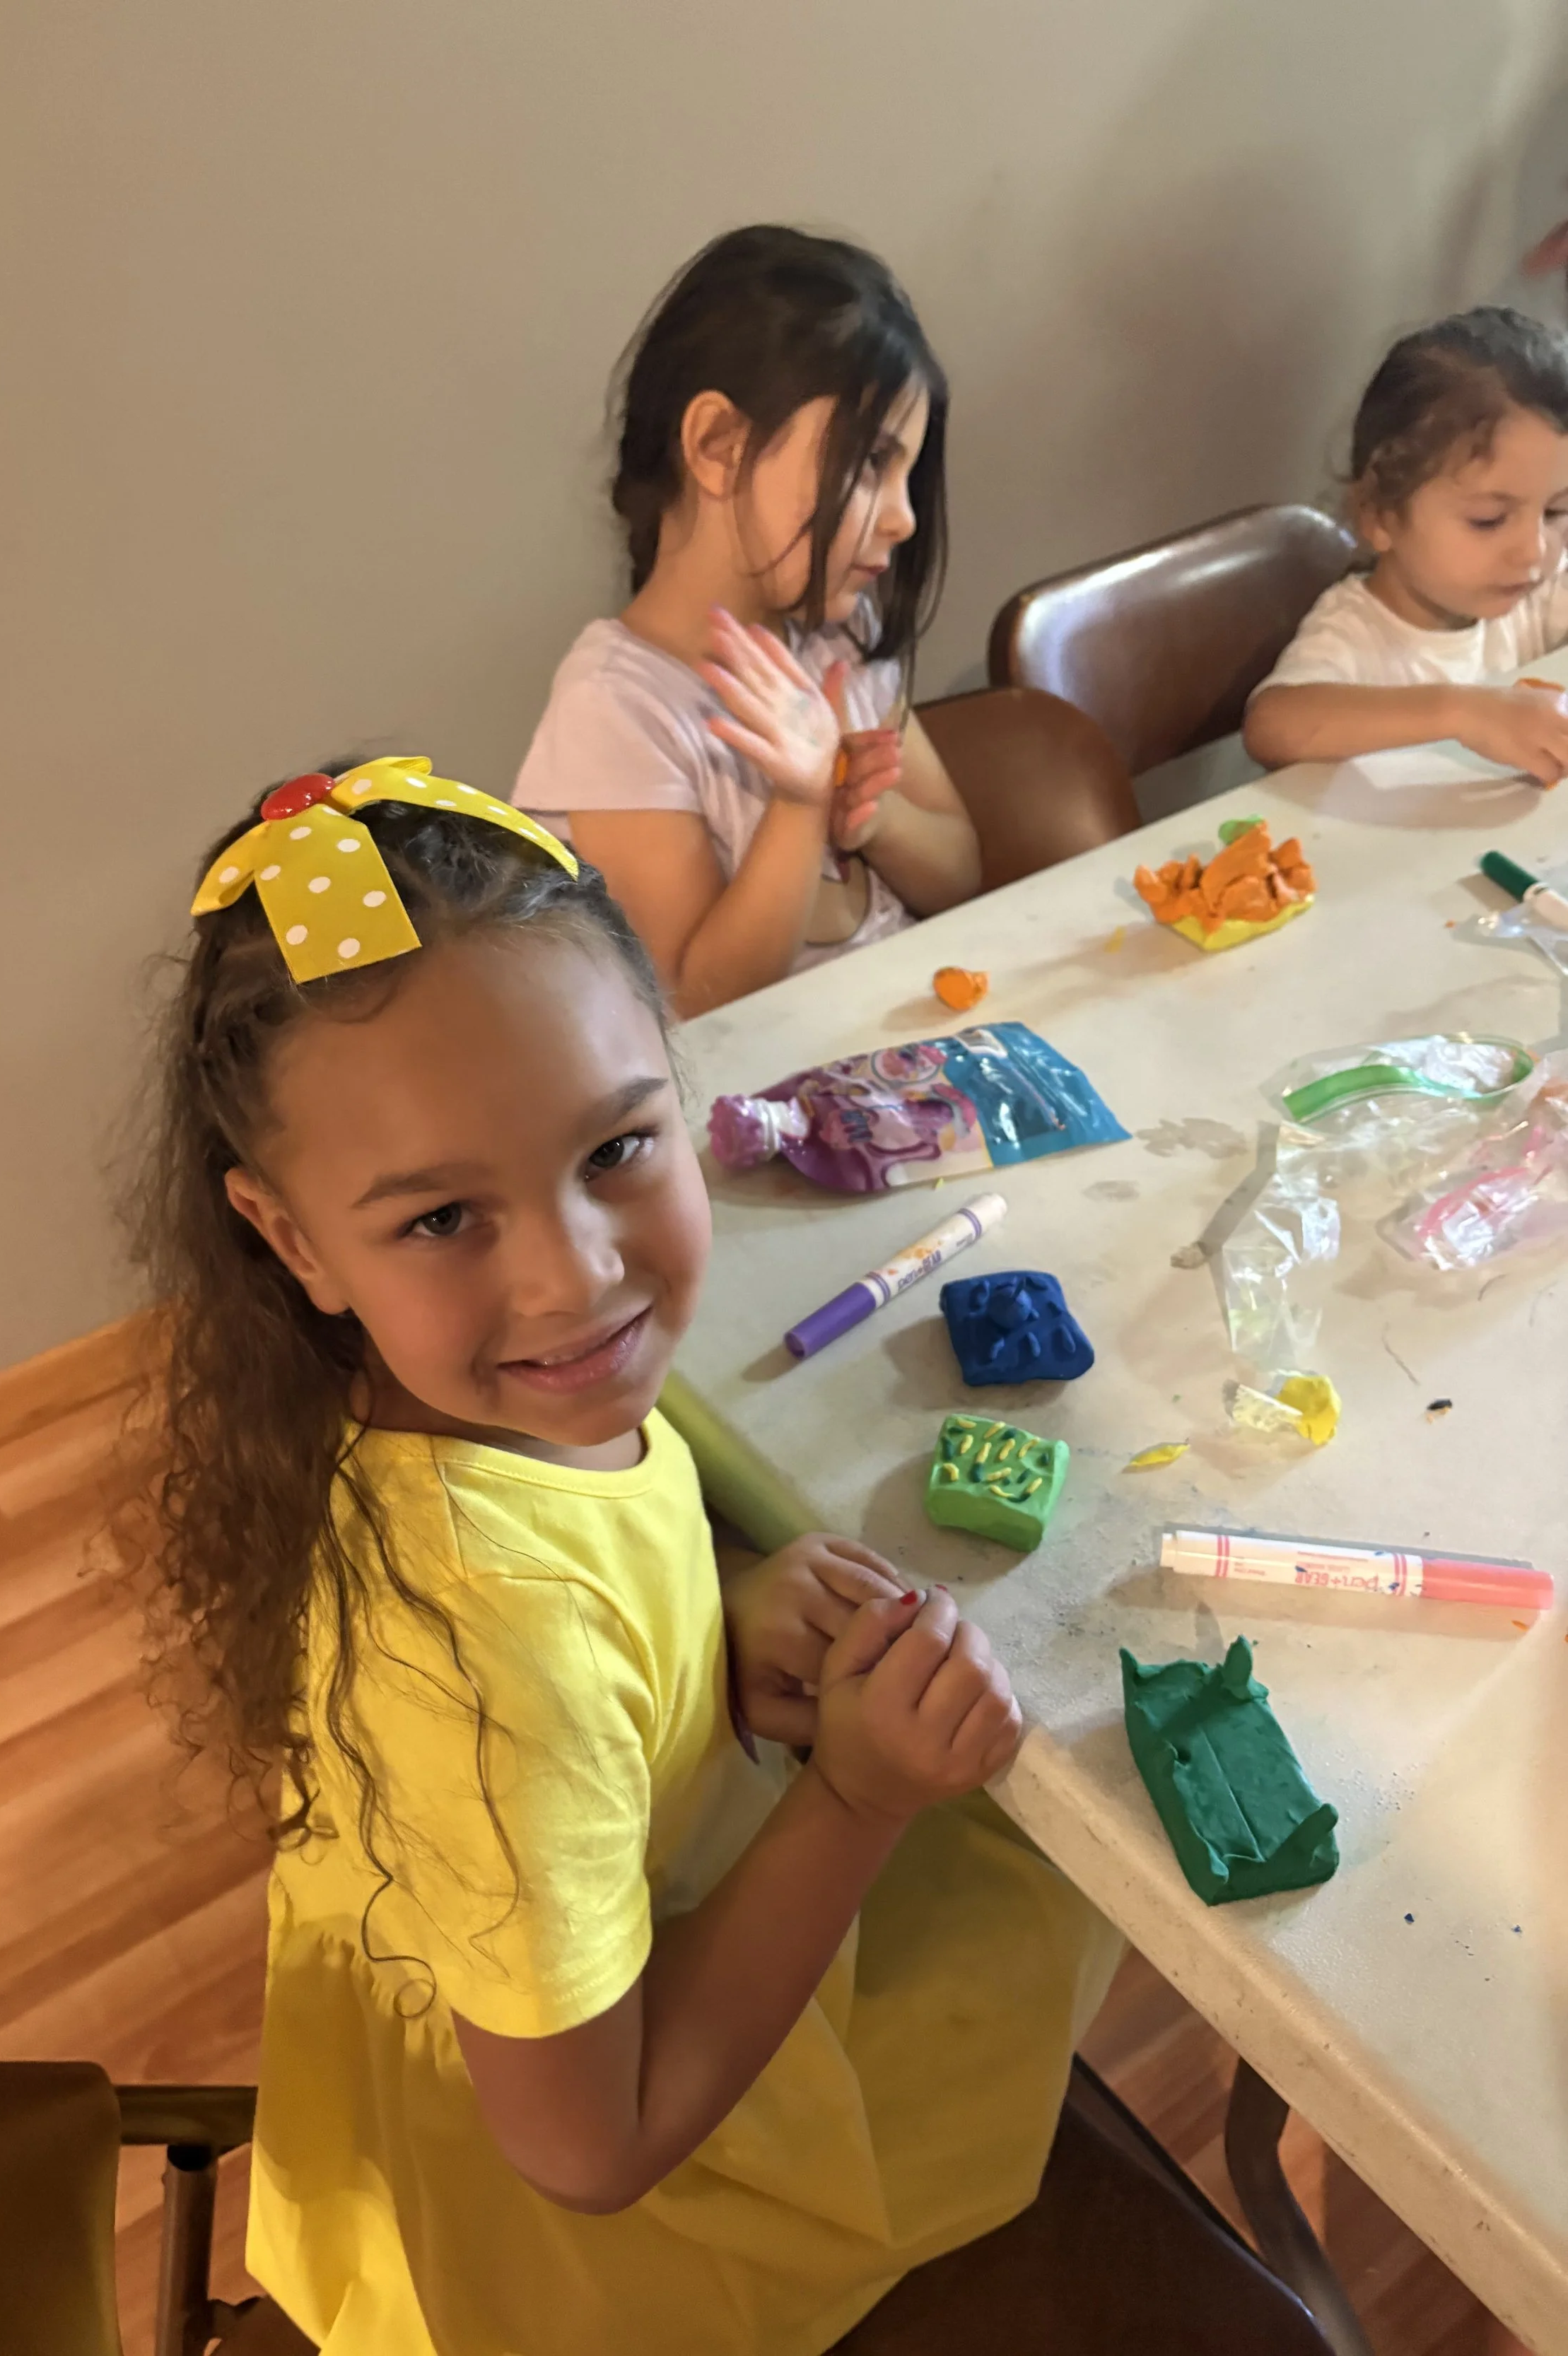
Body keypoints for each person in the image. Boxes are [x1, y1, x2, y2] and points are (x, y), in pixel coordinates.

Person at [117, 754, 1335, 2356]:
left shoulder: (448, 1414)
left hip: (556, 1955)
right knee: (1036, 1855)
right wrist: (852, 1797)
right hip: (616, 2247)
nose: (575, 1280)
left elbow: (584, 1598)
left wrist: (712, 1613)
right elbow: (589, 2145)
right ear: (292, 1240)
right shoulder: (490, 1640)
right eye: (440, 1222)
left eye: (617, 1149)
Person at [513, 225, 982, 1015]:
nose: (902, 518)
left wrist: (872, 820)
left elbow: (964, 871)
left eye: (908, 473)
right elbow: (697, 1007)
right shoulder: (617, 709)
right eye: (871, 464)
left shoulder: (841, 640)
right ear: (718, 444)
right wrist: (798, 808)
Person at [1244, 306, 1568, 779]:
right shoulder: (1355, 632)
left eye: (1557, 512)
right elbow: (1272, 727)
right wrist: (1463, 711)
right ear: (1380, 515)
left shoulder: (1540, 589)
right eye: (1489, 519)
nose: (1534, 551)